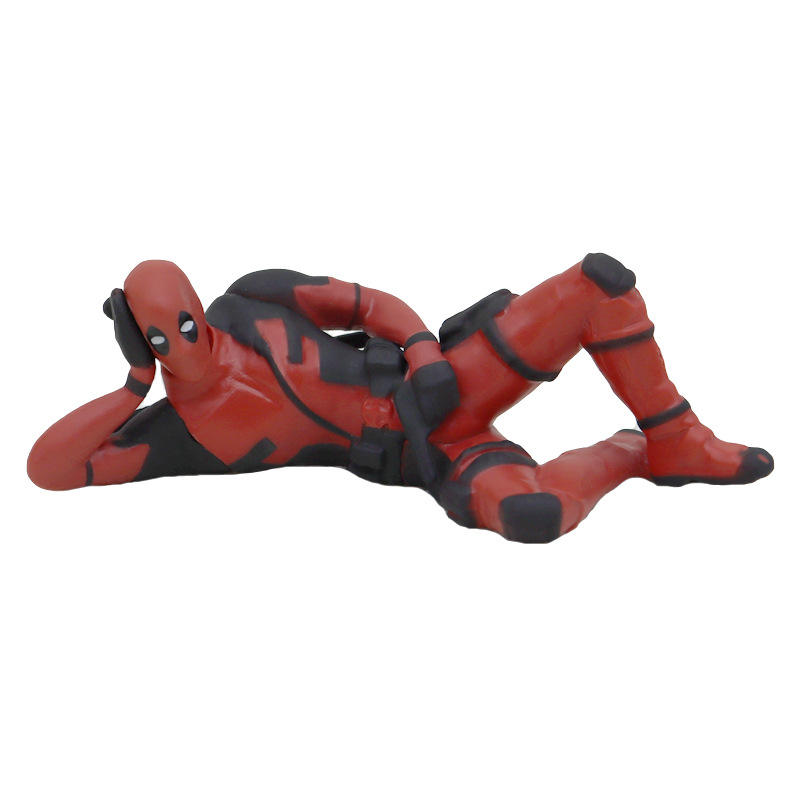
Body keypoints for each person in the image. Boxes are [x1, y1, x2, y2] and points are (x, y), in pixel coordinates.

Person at [27, 255, 773, 543]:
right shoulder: (181, 435)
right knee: (534, 514)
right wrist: (134, 384)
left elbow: (368, 303)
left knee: (598, 286)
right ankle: (630, 453)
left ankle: (676, 436)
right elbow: (50, 470)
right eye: (161, 339)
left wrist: (421, 350)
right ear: (140, 339)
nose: (185, 347)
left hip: (441, 379)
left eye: (186, 325)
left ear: (198, 302)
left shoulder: (252, 302)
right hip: (423, 454)